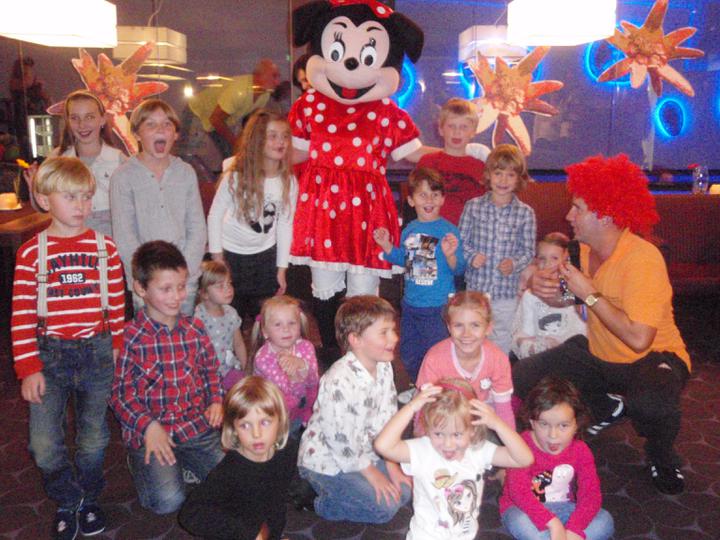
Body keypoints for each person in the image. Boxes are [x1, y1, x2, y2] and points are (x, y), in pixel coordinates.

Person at [513, 154, 691, 495]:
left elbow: (639, 339)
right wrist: (545, 289)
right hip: (599, 353)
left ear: (605, 214)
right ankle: (608, 404)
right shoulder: (580, 250)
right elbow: (568, 297)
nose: (569, 216)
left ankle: (662, 455)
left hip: (652, 358)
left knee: (652, 402)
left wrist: (589, 294)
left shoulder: (642, 259)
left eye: (578, 208)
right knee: (524, 375)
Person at [11, 157, 125, 539]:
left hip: (96, 352)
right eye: (70, 196)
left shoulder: (105, 247)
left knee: (94, 438)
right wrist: (29, 367)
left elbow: (116, 302)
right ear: (45, 200)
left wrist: (116, 344)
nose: (81, 205)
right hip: (49, 356)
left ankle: (89, 498)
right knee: (43, 444)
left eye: (86, 197)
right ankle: (66, 498)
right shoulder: (32, 253)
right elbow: (22, 313)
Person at [109, 240, 224, 514]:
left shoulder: (195, 329)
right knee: (168, 502)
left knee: (233, 482)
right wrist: (148, 426)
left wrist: (216, 400)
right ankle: (140, 463)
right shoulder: (130, 337)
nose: (176, 297)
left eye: (181, 286)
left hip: (194, 427)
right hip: (152, 432)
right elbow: (120, 394)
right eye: (165, 289)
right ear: (140, 288)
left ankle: (184, 465)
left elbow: (211, 371)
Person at [297, 295, 412, 523]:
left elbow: (386, 419)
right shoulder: (338, 381)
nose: (395, 338)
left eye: (393, 330)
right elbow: (341, 443)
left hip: (365, 453)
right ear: (356, 339)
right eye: (384, 332)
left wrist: (391, 464)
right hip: (328, 462)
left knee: (405, 491)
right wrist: (372, 474)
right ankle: (315, 500)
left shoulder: (384, 366)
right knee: (384, 509)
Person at [374, 378, 533, 540]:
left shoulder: (478, 450)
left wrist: (498, 424)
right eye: (438, 434)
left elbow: (524, 459)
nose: (448, 444)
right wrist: (412, 407)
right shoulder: (423, 450)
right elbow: (383, 446)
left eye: (457, 434)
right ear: (428, 428)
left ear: (472, 429)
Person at [110, 98, 207, 315]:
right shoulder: (123, 176)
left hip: (184, 281)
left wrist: (182, 273)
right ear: (137, 134)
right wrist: (151, 277)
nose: (160, 130)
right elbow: (125, 237)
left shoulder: (186, 172)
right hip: (147, 285)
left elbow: (197, 228)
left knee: (183, 334)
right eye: (151, 125)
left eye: (167, 124)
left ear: (176, 134)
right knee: (151, 335)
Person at [373, 167, 465, 383]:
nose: (429, 200)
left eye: (435, 194)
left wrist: (450, 255)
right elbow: (406, 260)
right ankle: (420, 385)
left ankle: (438, 389)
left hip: (438, 307)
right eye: (423, 195)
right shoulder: (409, 229)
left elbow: (459, 269)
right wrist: (387, 246)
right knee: (409, 352)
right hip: (410, 305)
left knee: (437, 352)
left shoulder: (449, 231)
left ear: (442, 199)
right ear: (411, 200)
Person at [178, 376, 296, 540]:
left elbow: (276, 497)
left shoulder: (287, 451)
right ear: (233, 429)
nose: (256, 434)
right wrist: (246, 533)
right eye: (245, 425)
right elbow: (190, 514)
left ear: (280, 421)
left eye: (265, 422)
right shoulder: (231, 470)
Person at [207, 109, 297, 324]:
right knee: (231, 318)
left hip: (265, 257)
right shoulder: (236, 176)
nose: (280, 142)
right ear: (257, 140)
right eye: (273, 136)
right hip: (231, 255)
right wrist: (217, 258)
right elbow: (215, 215)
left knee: (265, 318)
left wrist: (282, 268)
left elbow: (285, 224)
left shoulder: (289, 181)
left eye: (285, 136)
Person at [499, 377, 614, 540]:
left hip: (565, 507)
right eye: (544, 424)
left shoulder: (581, 450)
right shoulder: (521, 445)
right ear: (532, 422)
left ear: (576, 425)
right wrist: (552, 523)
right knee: (521, 523)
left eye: (563, 426)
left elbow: (591, 495)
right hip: (523, 509)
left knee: (604, 521)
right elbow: (519, 493)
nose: (553, 435)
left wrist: (575, 530)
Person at [459, 143, 536, 354]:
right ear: (488, 175)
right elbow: (461, 242)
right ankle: (473, 370)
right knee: (472, 332)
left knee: (502, 334)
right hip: (477, 288)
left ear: (519, 179)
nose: (503, 180)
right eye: (498, 173)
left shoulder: (525, 213)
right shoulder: (473, 206)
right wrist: (472, 256)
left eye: (510, 175)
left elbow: (528, 251)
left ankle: (498, 371)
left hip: (506, 291)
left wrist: (514, 263)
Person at [24, 90, 125, 237]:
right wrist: (34, 187)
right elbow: (43, 207)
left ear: (103, 119)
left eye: (89, 117)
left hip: (109, 240)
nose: (82, 125)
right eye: (74, 118)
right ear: (68, 121)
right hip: (68, 239)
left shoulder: (119, 160)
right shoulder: (57, 158)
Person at [415, 291, 516, 432]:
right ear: (449, 327)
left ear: (488, 328)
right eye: (458, 325)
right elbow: (424, 409)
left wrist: (510, 441)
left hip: (481, 419)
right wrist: (423, 442)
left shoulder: (498, 359)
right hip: (444, 419)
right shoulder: (434, 359)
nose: (466, 334)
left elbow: (503, 409)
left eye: (475, 325)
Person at [251, 295, 319, 437]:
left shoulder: (306, 346)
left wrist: (303, 365)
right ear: (265, 332)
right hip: (279, 406)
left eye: (292, 323)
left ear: (300, 325)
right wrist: (294, 377)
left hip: (304, 400)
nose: (286, 329)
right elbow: (289, 395)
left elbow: (314, 382)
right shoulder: (263, 358)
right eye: (278, 324)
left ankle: (306, 417)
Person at [511, 232, 586, 361]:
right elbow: (525, 334)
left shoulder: (577, 293)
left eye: (554, 258)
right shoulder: (530, 295)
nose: (547, 264)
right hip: (541, 358)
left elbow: (582, 333)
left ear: (566, 260)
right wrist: (532, 346)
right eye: (542, 259)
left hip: (573, 358)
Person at [186, 59, 281, 158]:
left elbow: (250, 122)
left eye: (278, 77)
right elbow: (215, 119)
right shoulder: (239, 90)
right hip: (196, 113)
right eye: (274, 76)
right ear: (259, 75)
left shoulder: (265, 94)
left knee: (232, 156)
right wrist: (236, 143)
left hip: (216, 121)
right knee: (189, 156)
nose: (277, 82)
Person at [417, 98, 490, 225]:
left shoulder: (480, 167)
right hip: (433, 230)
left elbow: (486, 208)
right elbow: (418, 200)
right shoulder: (427, 163)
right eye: (451, 126)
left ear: (473, 131)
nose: (457, 132)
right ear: (441, 129)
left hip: (469, 233)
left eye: (464, 127)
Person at [194, 260, 248, 390]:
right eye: (220, 286)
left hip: (229, 370)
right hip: (206, 374)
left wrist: (244, 368)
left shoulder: (231, 313)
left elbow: (238, 344)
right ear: (204, 293)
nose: (228, 289)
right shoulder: (198, 317)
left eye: (229, 283)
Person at [9, 56, 50, 159]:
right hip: (22, 122)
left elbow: (48, 102)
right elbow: (23, 84)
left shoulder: (37, 89)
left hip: (38, 120)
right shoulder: (16, 84)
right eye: (25, 73)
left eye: (28, 73)